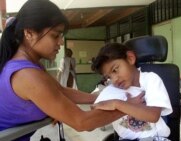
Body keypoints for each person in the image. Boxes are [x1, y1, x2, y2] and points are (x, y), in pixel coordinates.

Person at [0, 1, 144, 141]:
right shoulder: (27, 75)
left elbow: (61, 91)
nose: (61, 42)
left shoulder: (29, 64)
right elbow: (82, 122)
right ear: (29, 33)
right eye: (55, 35)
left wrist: (101, 96)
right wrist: (128, 106)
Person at [91, 43, 173, 141]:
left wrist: (116, 104)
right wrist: (97, 109)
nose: (114, 79)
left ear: (130, 58)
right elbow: (90, 124)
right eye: (108, 77)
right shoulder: (111, 91)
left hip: (154, 138)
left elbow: (153, 115)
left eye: (115, 70)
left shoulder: (150, 79)